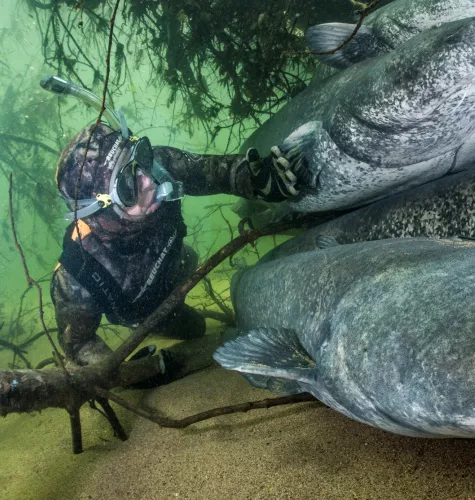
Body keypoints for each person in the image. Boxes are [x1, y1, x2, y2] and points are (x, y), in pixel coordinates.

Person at [50, 119, 307, 384]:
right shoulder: (78, 272)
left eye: (141, 158)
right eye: (128, 185)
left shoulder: (159, 168)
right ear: (99, 209)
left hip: (179, 262)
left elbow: (211, 172)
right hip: (148, 310)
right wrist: (130, 373)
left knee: (191, 258)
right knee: (196, 329)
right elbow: (78, 344)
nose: (149, 181)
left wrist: (258, 178)